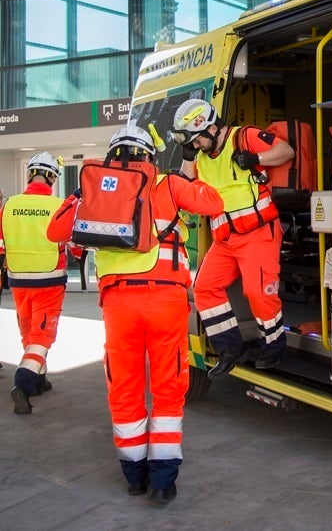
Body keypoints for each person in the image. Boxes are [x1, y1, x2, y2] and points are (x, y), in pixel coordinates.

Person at [47, 124, 224, 507]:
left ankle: (134, 476)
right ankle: (163, 481)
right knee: (167, 389)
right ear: (150, 156)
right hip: (166, 303)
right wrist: (186, 176)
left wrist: (80, 192)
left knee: (124, 389)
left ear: (112, 157)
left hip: (118, 306)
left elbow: (55, 231)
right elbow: (214, 204)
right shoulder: (168, 185)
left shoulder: (94, 192)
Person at [170, 98, 293, 378]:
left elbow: (286, 151)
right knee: (203, 288)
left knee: (258, 292)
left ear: (209, 128)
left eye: (195, 141)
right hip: (225, 239)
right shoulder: (201, 157)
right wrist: (188, 156)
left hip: (258, 234)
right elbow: (185, 187)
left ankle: (273, 345)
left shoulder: (244, 136)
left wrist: (256, 159)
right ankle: (230, 347)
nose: (196, 146)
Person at [0, 152, 68, 414]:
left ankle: (39, 379)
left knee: (29, 331)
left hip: (18, 279)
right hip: (49, 279)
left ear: (30, 174)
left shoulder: (10, 205)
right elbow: (69, 240)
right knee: (42, 335)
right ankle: (23, 382)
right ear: (52, 178)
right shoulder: (58, 206)